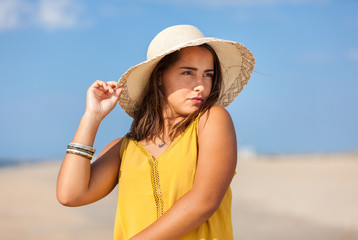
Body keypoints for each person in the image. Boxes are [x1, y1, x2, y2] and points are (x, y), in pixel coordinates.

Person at [56, 25, 255, 239]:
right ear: (159, 77)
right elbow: (71, 195)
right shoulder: (124, 149)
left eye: (208, 74)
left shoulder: (212, 120)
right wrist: (92, 117)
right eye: (188, 72)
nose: (201, 85)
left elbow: (204, 201)